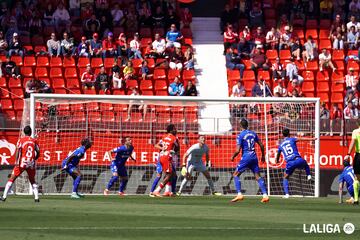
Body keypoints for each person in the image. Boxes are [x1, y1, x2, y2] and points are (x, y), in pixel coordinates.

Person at [230, 119, 269, 203]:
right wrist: (263, 156)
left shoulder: (240, 135)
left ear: (240, 126)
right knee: (257, 176)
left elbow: (237, 150)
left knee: (235, 174)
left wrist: (232, 157)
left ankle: (239, 194)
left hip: (246, 157)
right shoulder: (253, 133)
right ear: (247, 125)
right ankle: (265, 195)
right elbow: (261, 145)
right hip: (254, 157)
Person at [1, 126, 40, 202]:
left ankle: (4, 197)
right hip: (31, 163)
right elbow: (38, 152)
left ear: (24, 132)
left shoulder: (21, 140)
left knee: (12, 178)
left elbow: (18, 151)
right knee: (32, 180)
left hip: (22, 162)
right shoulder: (34, 140)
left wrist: (16, 161)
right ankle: (36, 198)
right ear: (31, 132)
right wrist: (34, 159)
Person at [276, 128, 315, 198]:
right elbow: (301, 139)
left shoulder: (281, 145)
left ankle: (287, 194)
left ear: (282, 135)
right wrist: (312, 139)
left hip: (290, 163)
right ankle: (309, 176)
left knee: (285, 177)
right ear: (289, 134)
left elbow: (278, 154)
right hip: (298, 160)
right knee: (306, 164)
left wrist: (277, 160)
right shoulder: (292, 139)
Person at [151, 124, 180, 197]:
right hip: (167, 157)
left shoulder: (164, 137)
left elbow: (156, 145)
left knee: (173, 174)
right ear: (171, 130)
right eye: (174, 129)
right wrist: (174, 152)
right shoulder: (174, 138)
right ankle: (156, 191)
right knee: (169, 175)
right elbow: (177, 149)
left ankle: (167, 191)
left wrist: (162, 149)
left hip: (161, 156)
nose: (176, 130)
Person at [345, 119, 360, 204]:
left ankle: (356, 199)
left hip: (358, 156)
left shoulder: (355, 132)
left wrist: (348, 154)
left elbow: (353, 142)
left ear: (358, 123)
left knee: (356, 178)